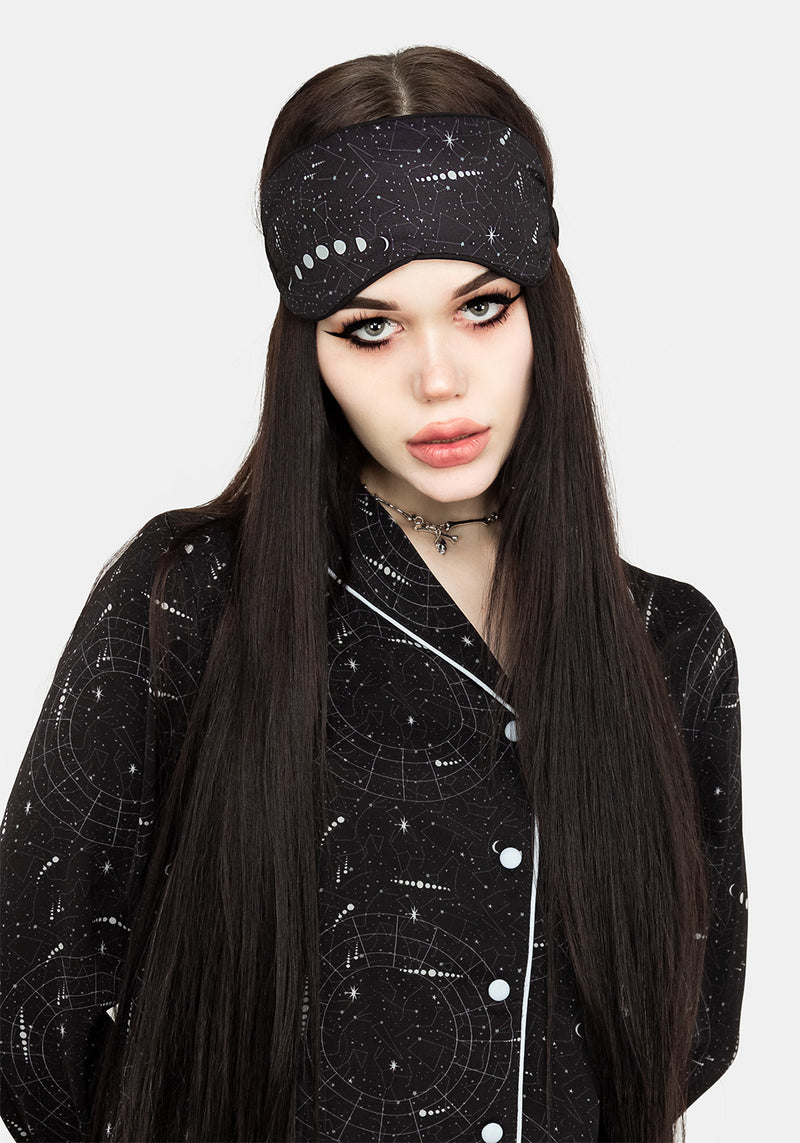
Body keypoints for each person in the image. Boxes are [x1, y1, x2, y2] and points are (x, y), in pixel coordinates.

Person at [0, 45, 746, 1143]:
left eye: (482, 307)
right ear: (309, 349)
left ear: (543, 310)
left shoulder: (667, 643)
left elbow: (689, 1027)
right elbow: (34, 1005)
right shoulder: (185, 601)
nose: (437, 378)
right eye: (370, 327)